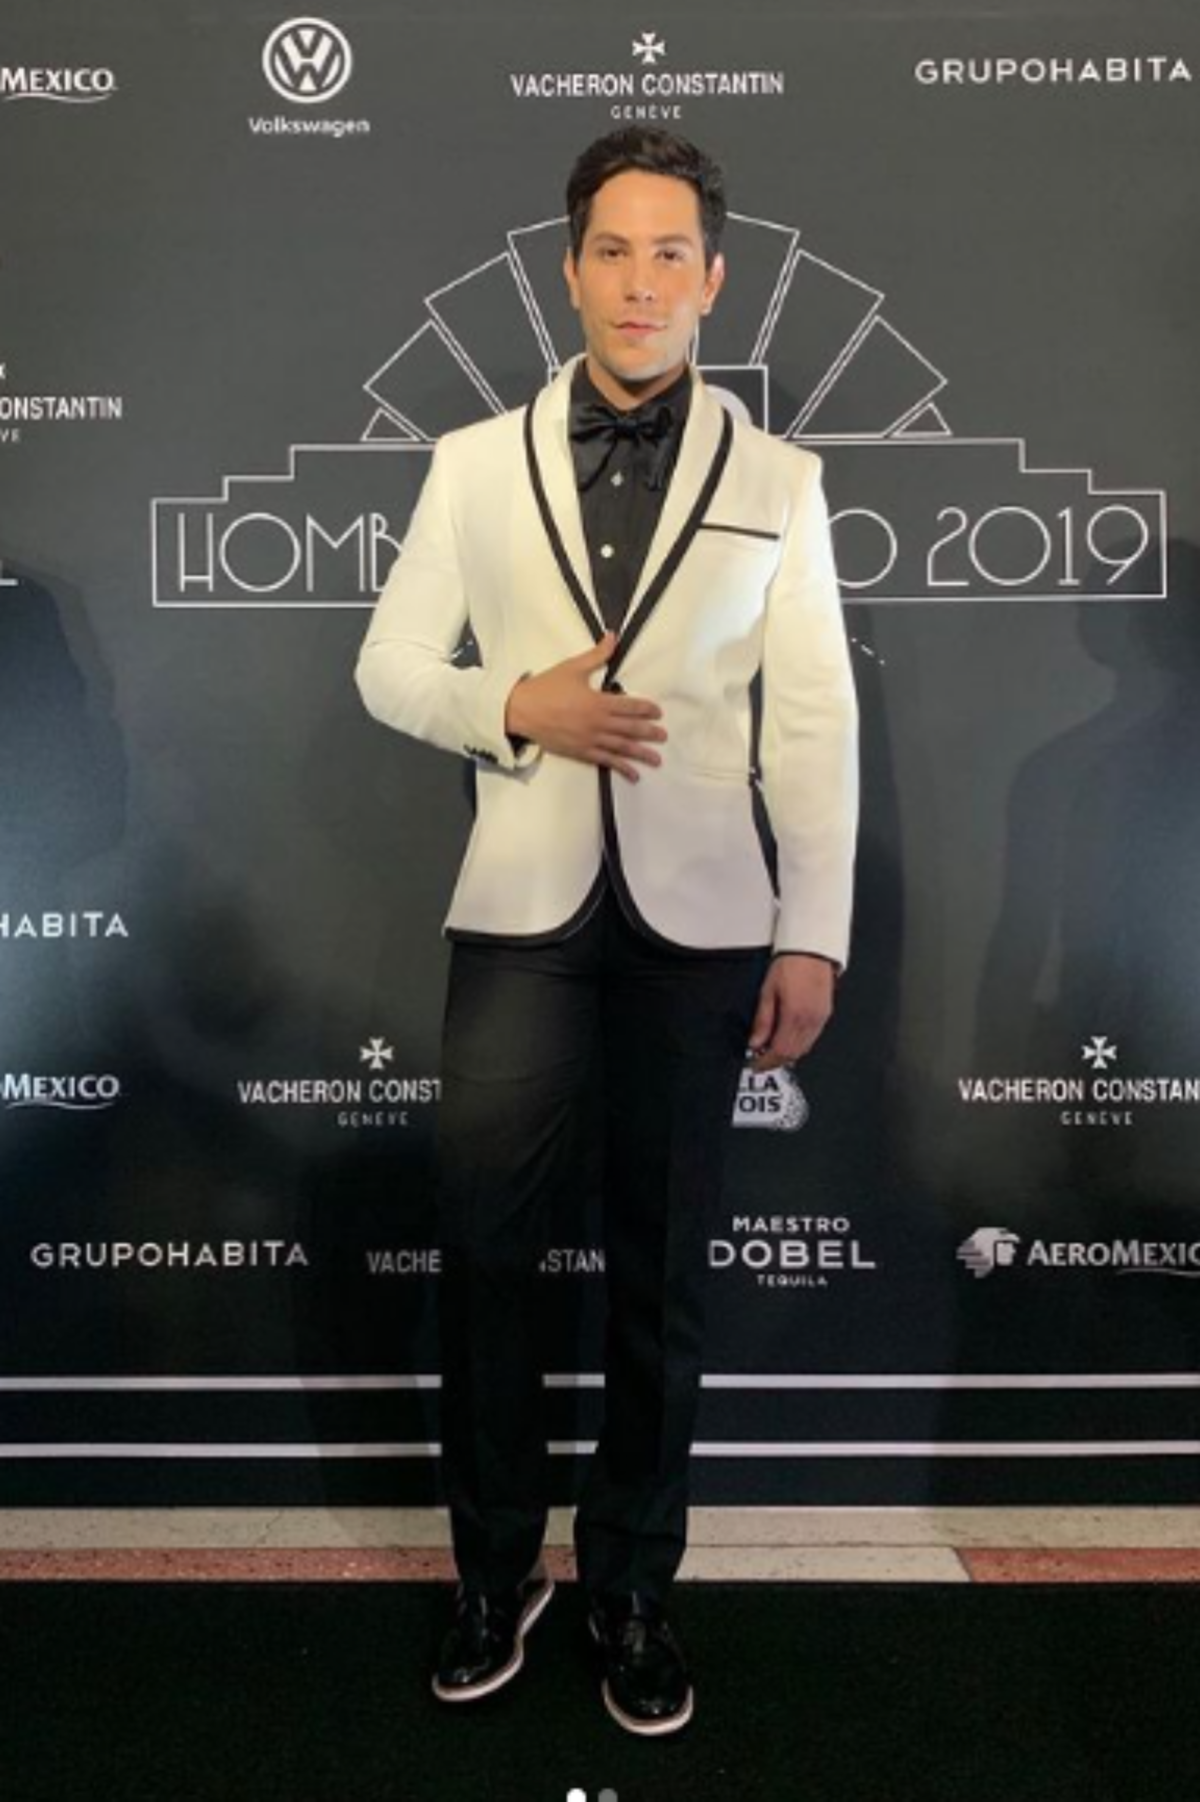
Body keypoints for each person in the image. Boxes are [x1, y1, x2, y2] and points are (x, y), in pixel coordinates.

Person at [355, 126, 859, 1737]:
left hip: (704, 928)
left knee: (663, 1274)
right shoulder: (468, 464)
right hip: (520, 921)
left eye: (671, 255)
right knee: (488, 1267)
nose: (642, 282)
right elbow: (387, 667)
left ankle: (633, 1585)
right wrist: (516, 704)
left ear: (715, 280)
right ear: (569, 270)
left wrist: (812, 929)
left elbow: (814, 724)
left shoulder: (782, 482)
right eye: (614, 251)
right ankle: (493, 1572)